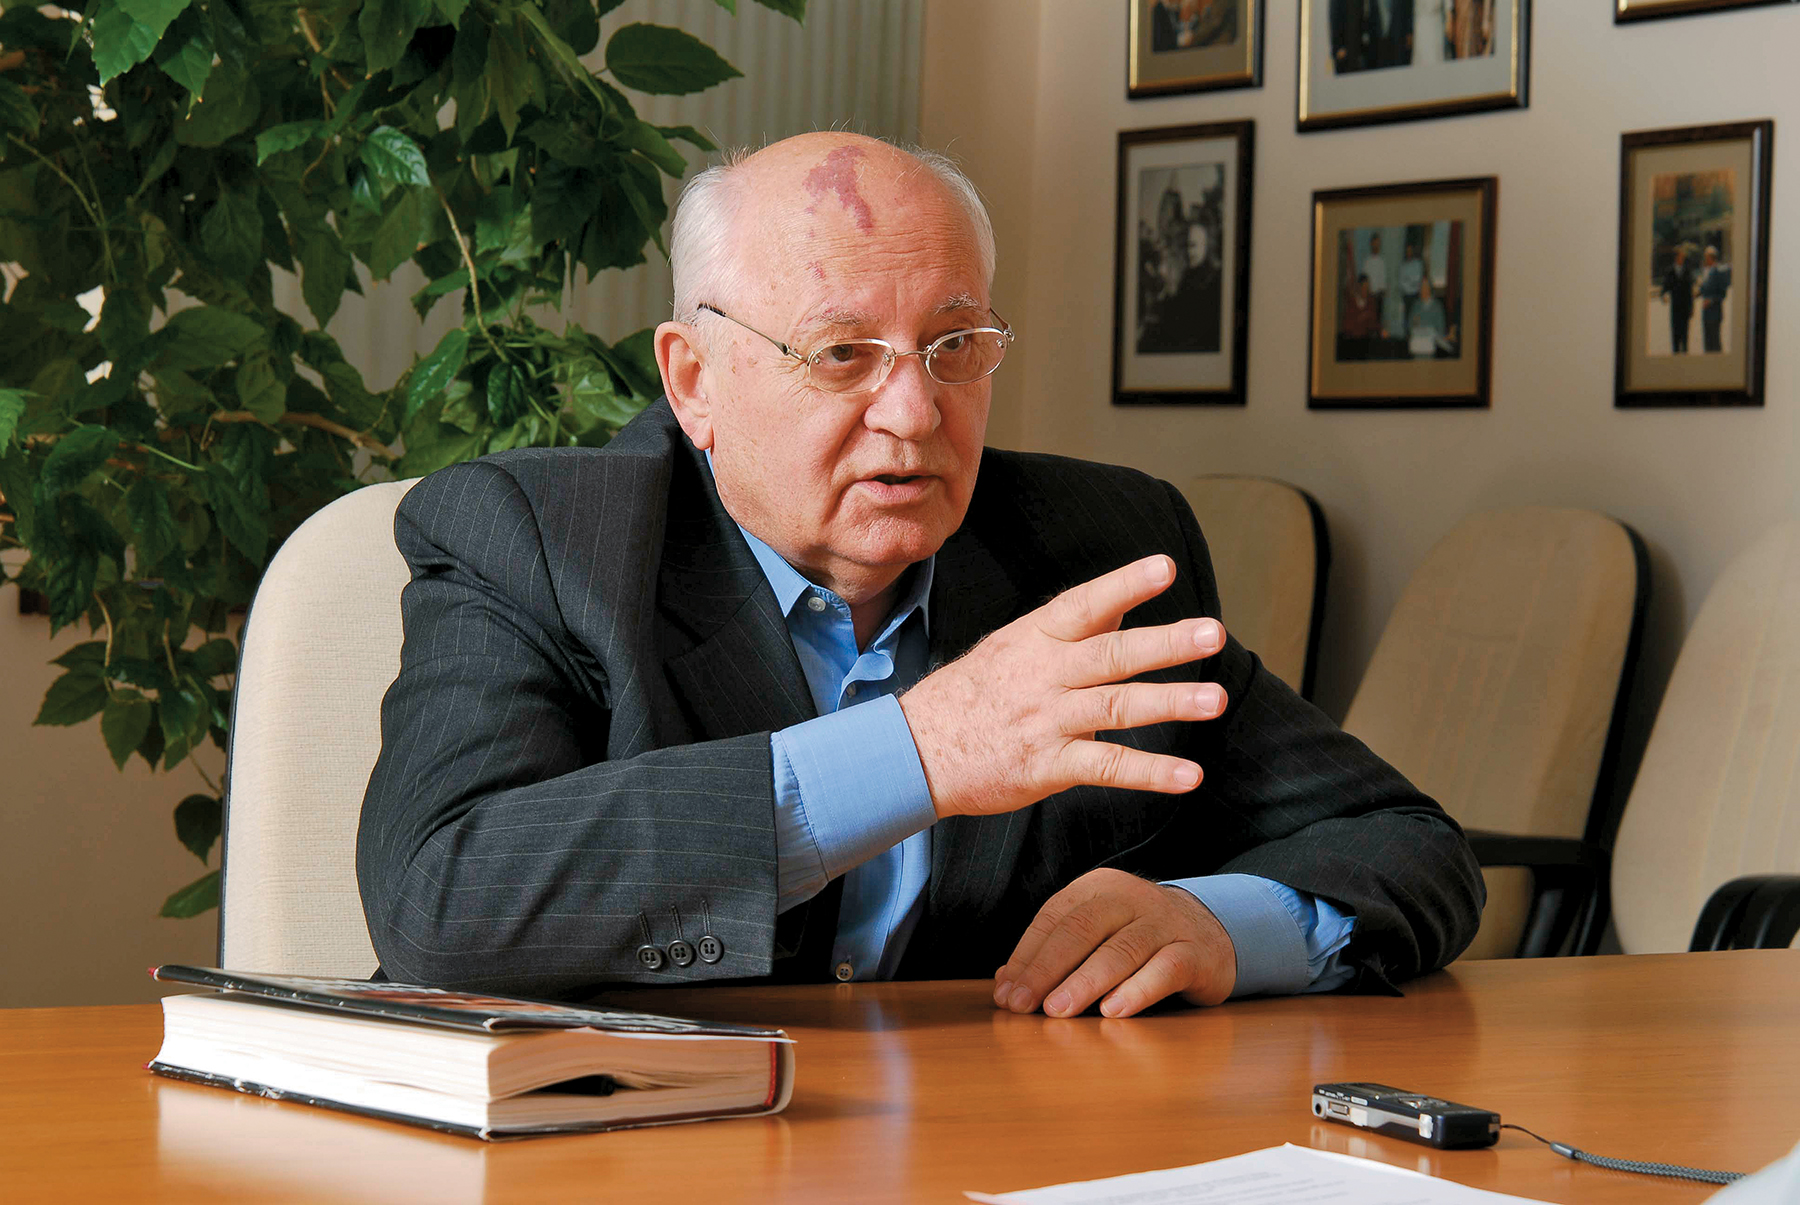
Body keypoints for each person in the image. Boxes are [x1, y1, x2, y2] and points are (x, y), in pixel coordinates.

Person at [358, 133, 1483, 1017]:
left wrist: (1222, 924)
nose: (914, 410)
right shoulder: (539, 540)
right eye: (842, 354)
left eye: (954, 347)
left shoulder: (1097, 546)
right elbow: (437, 900)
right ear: (694, 380)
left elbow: (1410, 843)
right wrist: (921, 751)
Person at [1660, 245, 1695, 355]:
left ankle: (1685, 355)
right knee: (1675, 334)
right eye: (1680, 256)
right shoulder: (1670, 271)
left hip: (1685, 307)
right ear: (1676, 257)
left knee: (1685, 336)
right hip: (1675, 308)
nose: (1682, 258)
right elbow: (1665, 286)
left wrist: (1691, 308)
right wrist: (1663, 295)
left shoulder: (1687, 270)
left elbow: (1690, 291)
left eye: (1683, 256)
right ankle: (1675, 356)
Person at [1697, 244, 1732, 354]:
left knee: (1715, 343)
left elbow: (1722, 294)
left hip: (1715, 313)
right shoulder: (1705, 271)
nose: (1705, 259)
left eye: (1706, 257)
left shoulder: (1718, 272)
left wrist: (1711, 300)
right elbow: (1703, 289)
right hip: (1706, 313)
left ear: (1712, 258)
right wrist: (1697, 292)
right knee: (1707, 343)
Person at [1338, 274, 1380, 361]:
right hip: (1352, 341)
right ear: (1359, 287)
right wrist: (1361, 318)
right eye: (1364, 287)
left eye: (1367, 287)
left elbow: (1374, 322)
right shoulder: (1352, 302)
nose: (1366, 290)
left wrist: (1380, 329)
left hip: (1366, 342)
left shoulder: (1371, 302)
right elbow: (1348, 325)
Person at [1407, 275, 1451, 358]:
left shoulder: (1437, 306)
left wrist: (1431, 331)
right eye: (1421, 287)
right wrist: (1414, 323)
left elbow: (1441, 329)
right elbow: (1409, 326)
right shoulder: (1415, 305)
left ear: (1430, 288)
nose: (1423, 289)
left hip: (1430, 347)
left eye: (1426, 287)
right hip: (1417, 347)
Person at [1397, 241, 1425, 334]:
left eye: (1410, 250)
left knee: (1416, 318)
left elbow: (1417, 280)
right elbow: (1401, 283)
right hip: (1406, 296)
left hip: (1415, 295)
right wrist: (1410, 281)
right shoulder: (1402, 266)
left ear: (1413, 251)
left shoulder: (1418, 264)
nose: (1409, 252)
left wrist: (1408, 280)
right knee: (1406, 320)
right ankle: (1407, 336)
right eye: (1407, 251)